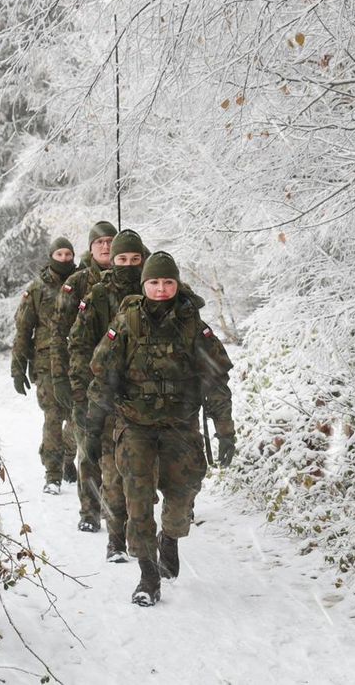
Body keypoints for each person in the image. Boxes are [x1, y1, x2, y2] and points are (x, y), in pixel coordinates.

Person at [86, 251, 236, 606]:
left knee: (183, 494)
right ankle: (148, 576)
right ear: (144, 284)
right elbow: (102, 377)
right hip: (135, 427)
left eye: (168, 282)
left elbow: (215, 381)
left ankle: (170, 538)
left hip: (180, 426)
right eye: (154, 282)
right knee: (137, 502)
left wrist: (225, 430)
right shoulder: (125, 323)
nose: (161, 288)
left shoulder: (192, 325)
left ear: (176, 283)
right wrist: (93, 429)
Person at [67, 229, 146, 547]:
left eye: (135, 259)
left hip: (138, 395)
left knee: (133, 460)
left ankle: (129, 517)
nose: (128, 265)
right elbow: (78, 344)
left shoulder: (151, 291)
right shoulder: (97, 295)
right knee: (92, 451)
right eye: (122, 259)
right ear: (112, 261)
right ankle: (90, 509)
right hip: (98, 390)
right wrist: (80, 390)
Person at [50, 220, 118, 485]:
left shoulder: (135, 276)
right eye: (99, 242)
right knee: (84, 434)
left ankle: (111, 500)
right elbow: (58, 333)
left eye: (110, 241)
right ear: (91, 247)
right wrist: (59, 378)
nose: (105, 246)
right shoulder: (77, 282)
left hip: (119, 374)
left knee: (114, 440)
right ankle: (89, 509)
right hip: (83, 372)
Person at [11, 236, 79, 494]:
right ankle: (52, 474)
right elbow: (23, 329)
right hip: (46, 364)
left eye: (68, 254)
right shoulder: (37, 289)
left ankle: (67, 456)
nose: (64, 259)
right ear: (51, 256)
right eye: (59, 254)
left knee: (77, 418)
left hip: (78, 362)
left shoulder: (82, 282)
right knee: (53, 417)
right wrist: (17, 367)